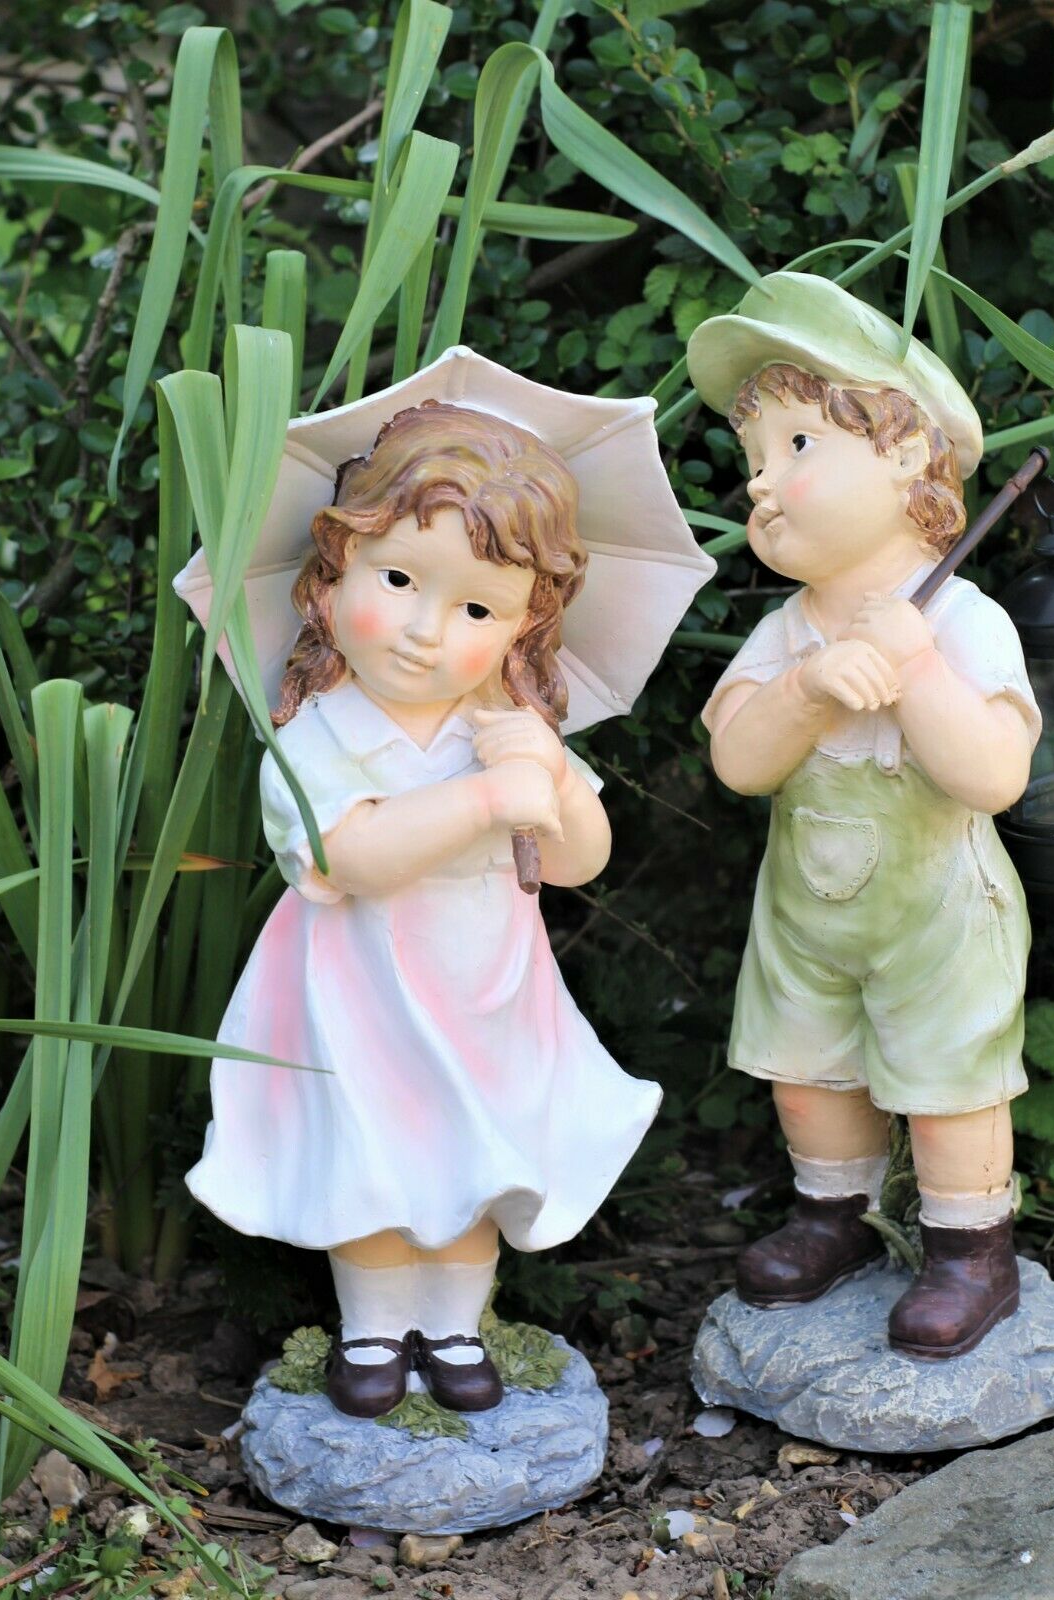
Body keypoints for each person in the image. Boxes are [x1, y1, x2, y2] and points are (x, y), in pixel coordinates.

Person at [185, 399, 662, 1416]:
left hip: (488, 979)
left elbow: (579, 861)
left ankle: (453, 1325)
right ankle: (369, 1330)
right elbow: (352, 855)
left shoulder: (504, 724)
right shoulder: (320, 733)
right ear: (330, 575)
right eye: (398, 580)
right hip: (357, 987)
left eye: (478, 610)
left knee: (476, 1148)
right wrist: (489, 797)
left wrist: (555, 781)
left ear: (526, 622)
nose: (424, 631)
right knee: (371, 1149)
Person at [687, 272, 1042, 1360]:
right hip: (807, 907)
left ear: (903, 455)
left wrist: (917, 667)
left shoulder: (964, 616)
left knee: (949, 1079)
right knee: (810, 1075)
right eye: (753, 463)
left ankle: (967, 1245)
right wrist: (806, 688)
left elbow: (992, 775)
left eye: (795, 448)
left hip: (936, 908)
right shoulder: (791, 630)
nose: (761, 486)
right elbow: (740, 763)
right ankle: (828, 1213)